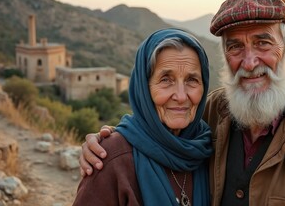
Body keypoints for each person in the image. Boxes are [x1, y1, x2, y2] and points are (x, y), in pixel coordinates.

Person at [80, 0, 285, 205]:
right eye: (235, 47)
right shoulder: (212, 112)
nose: (249, 63)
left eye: (263, 43)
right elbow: (156, 133)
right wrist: (109, 142)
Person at [72, 28, 213, 206]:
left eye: (192, 80)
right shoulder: (111, 159)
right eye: (165, 80)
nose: (181, 96)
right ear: (144, 88)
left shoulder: (210, 149)